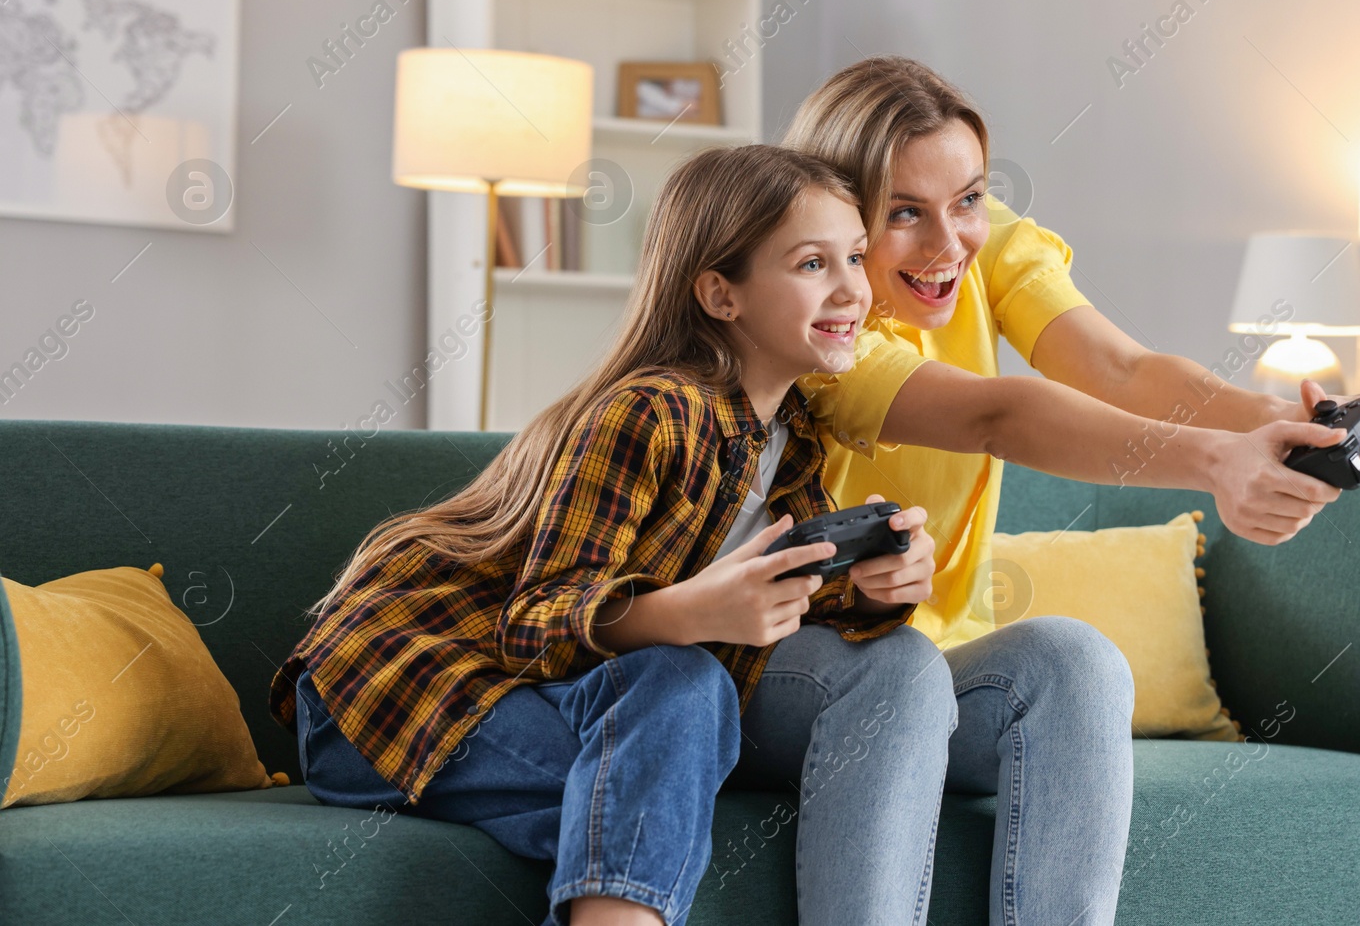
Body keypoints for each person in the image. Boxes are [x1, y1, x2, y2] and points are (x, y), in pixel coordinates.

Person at [731, 55, 1360, 925]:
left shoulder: (975, 241)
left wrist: (1282, 421)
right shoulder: (818, 323)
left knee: (1075, 662)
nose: (947, 243)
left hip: (935, 665)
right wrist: (1216, 462)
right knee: (898, 669)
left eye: (966, 200)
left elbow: (1119, 366)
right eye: (903, 214)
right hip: (783, 674)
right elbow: (1000, 414)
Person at [267, 144, 943, 926]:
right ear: (721, 294)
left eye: (855, 257)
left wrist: (869, 588)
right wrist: (686, 614)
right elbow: (534, 624)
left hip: (570, 697)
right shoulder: (651, 411)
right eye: (812, 264)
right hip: (396, 690)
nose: (852, 287)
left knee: (686, 706)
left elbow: (774, 613)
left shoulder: (793, 445)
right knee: (681, 707)